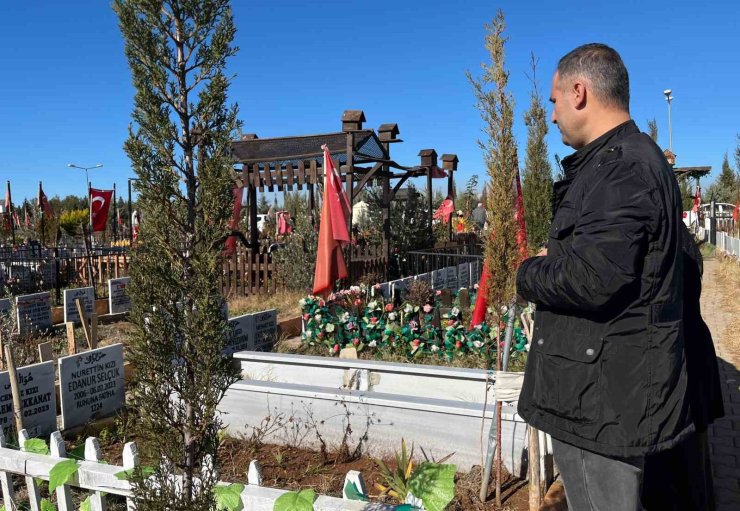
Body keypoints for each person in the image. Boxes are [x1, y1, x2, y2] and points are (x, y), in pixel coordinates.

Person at [515, 44, 710, 510]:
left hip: (600, 401)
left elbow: (591, 278)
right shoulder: (626, 161)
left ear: (579, 92)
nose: (551, 114)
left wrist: (530, 270)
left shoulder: (619, 167)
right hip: (608, 387)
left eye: (554, 100)